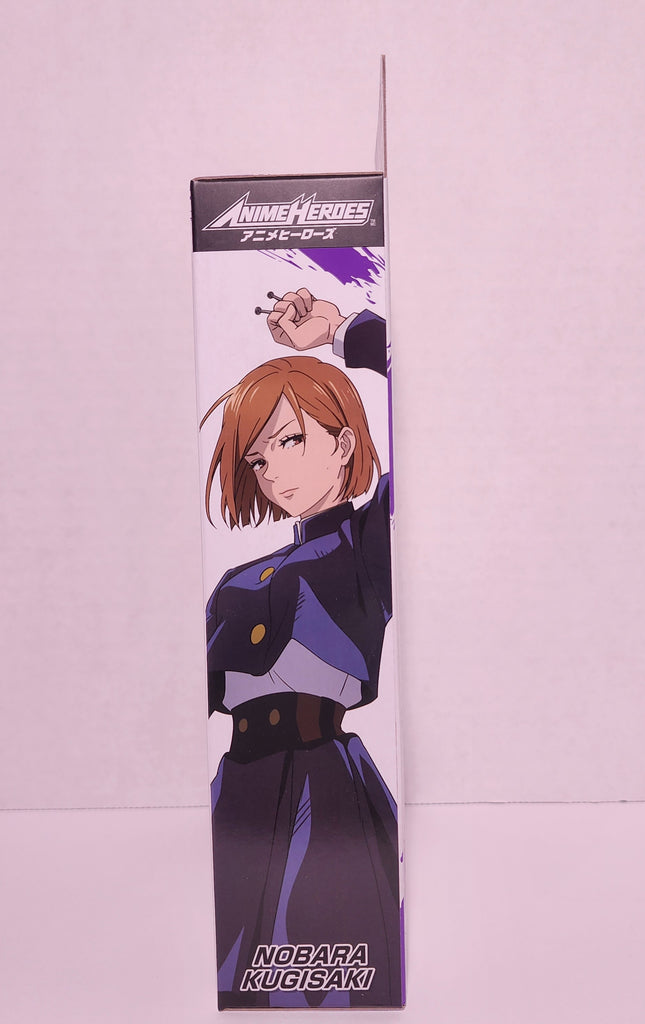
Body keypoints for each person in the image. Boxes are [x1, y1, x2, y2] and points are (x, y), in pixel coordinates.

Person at [202, 287, 401, 1008]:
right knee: (237, 960)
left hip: (323, 785)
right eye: (258, 460)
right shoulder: (234, 581)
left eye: (290, 442)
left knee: (326, 940)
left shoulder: (368, 544)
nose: (274, 471)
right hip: (236, 789)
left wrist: (341, 331)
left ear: (343, 445)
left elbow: (439, 396)